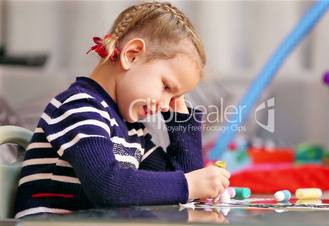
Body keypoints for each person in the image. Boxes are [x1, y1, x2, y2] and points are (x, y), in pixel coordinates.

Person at [14, 1, 230, 218]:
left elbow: (175, 184)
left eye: (175, 97)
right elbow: (108, 186)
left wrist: (181, 118)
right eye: (166, 86)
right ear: (132, 54)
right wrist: (190, 184)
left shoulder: (132, 130)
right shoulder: (79, 107)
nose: (166, 105)